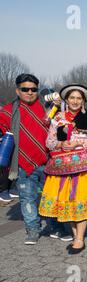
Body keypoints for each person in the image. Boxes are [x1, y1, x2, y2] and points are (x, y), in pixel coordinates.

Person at [39, 84, 87, 254]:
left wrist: (80, 143)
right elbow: (49, 143)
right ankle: (76, 236)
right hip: (63, 168)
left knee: (80, 200)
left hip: (86, 168)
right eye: (72, 98)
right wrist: (61, 143)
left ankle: (79, 239)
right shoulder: (58, 118)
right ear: (66, 100)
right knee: (71, 203)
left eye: (78, 98)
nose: (75, 101)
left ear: (83, 101)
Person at [0, 74, 49, 245]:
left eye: (33, 89)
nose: (29, 92)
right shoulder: (7, 111)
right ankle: (33, 229)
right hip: (22, 165)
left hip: (47, 163)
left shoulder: (47, 108)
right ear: (17, 90)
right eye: (25, 89)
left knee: (50, 198)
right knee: (27, 199)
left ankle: (57, 226)